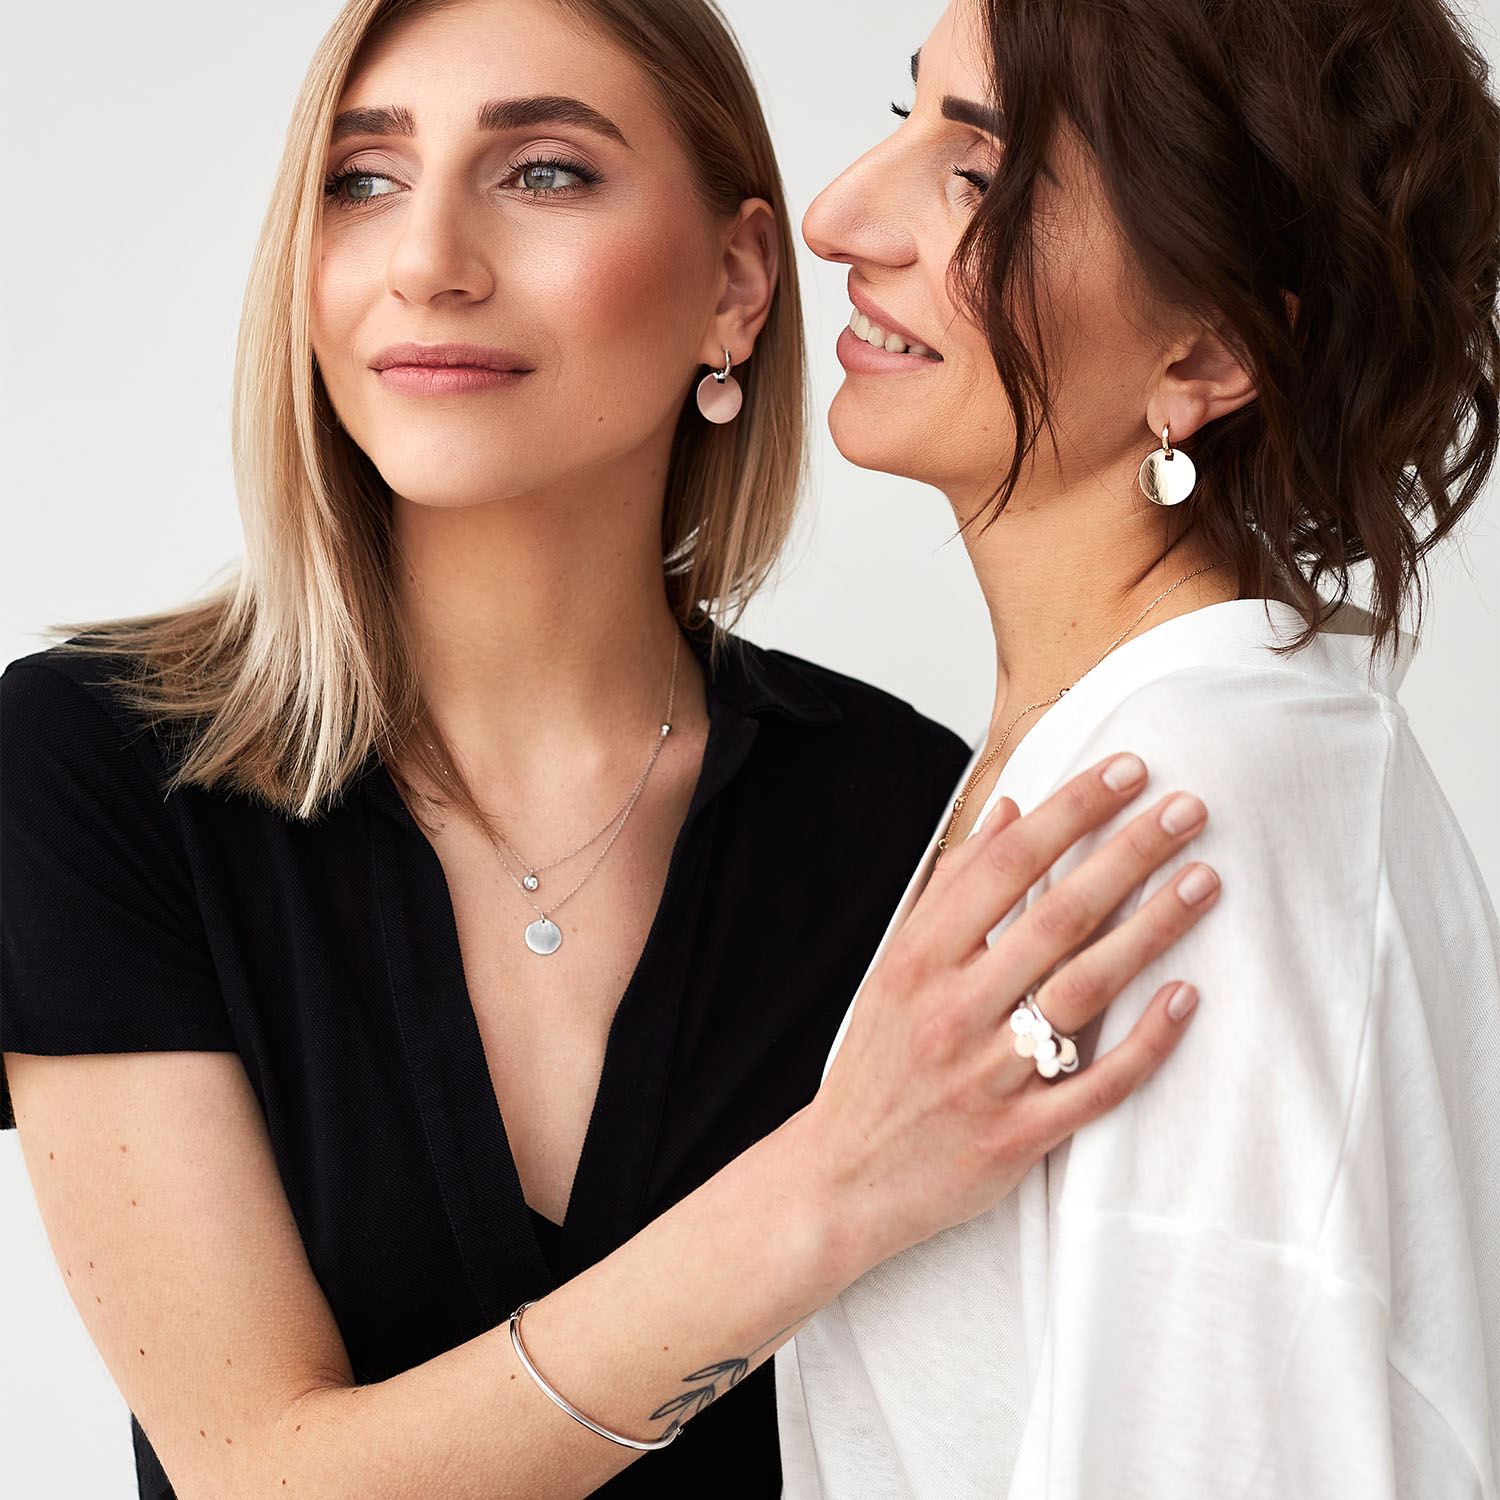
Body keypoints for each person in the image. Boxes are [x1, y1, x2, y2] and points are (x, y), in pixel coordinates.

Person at [0, 2, 1226, 1497]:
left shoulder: (916, 818)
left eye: (544, 173)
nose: (429, 261)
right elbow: (255, 1477)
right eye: (364, 180)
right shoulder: (98, 771)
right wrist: (832, 1183)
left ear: (736, 284)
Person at [775, 0, 1500, 1495]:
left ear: (1210, 353)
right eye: (907, 115)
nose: (837, 214)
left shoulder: (1182, 816)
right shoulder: (1132, 744)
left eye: (977, 174)